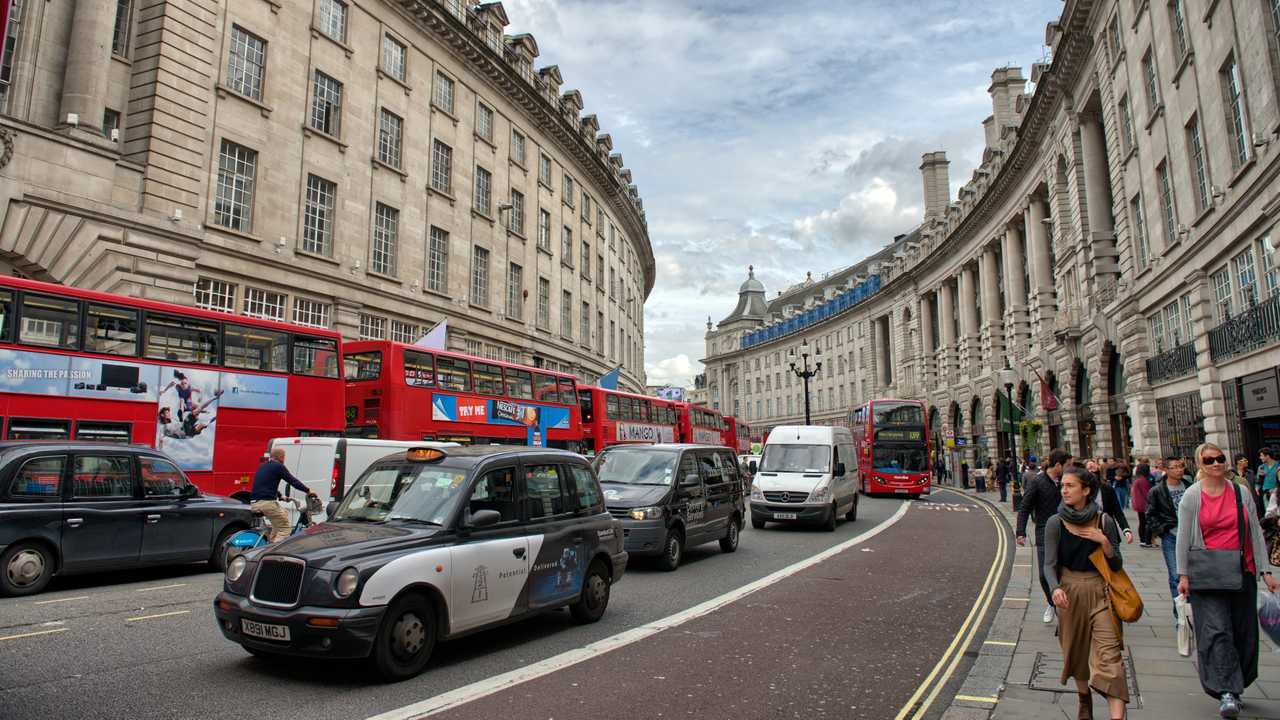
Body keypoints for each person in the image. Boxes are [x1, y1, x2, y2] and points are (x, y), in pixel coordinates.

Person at [1176, 442, 1279, 718]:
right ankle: (1227, 691)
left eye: (1220, 458)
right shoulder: (1192, 496)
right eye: (1209, 460)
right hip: (1207, 575)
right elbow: (1183, 538)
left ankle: (1238, 682)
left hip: (1242, 571)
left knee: (1244, 632)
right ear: (1200, 464)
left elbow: (1255, 531)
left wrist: (1265, 570)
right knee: (1217, 631)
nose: (1216, 464)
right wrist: (1182, 574)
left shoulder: (1240, 491)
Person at [1043, 466, 1128, 720]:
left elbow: (1117, 564)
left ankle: (1116, 716)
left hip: (1101, 592)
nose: (1064, 490)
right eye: (1063, 486)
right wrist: (1055, 589)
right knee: (1076, 652)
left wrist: (1104, 543)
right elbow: (1049, 564)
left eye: (1070, 486)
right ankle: (1084, 700)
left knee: (1110, 657)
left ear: (1086, 490)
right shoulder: (1055, 523)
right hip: (1069, 593)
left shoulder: (1104, 521)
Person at [1018, 448, 1072, 624]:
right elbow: (1025, 506)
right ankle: (1052, 602)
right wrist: (1020, 532)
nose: (1070, 468)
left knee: (1064, 572)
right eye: (1068, 465)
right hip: (1043, 533)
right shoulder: (1037, 482)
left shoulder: (1066, 482)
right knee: (1043, 574)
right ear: (1058, 465)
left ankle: (1065, 607)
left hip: (1066, 532)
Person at [1146, 456, 1190, 619]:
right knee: (1175, 576)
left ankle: (1191, 607)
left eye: (1181, 466)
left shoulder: (1189, 486)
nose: (1179, 470)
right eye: (1175, 467)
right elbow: (1150, 515)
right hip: (1171, 537)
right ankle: (1179, 612)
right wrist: (1163, 530)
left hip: (1191, 537)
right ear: (1165, 469)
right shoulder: (1157, 491)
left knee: (1193, 574)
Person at [250, 448, 319, 543]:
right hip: (266, 503)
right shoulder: (278, 466)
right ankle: (273, 550)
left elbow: (266, 485)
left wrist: (280, 496)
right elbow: (292, 481)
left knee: (281, 518)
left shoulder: (263, 466)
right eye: (284, 457)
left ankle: (271, 543)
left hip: (255, 502)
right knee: (285, 528)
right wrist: (308, 491)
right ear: (281, 457)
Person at [1131, 464, 1152, 547]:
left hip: (1138, 504)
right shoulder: (1143, 480)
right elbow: (1147, 493)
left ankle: (1143, 540)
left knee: (1142, 522)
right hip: (1144, 504)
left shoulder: (1137, 479)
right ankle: (1146, 540)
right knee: (1146, 523)